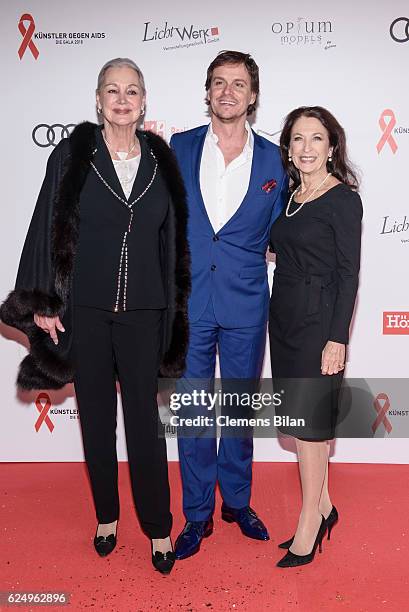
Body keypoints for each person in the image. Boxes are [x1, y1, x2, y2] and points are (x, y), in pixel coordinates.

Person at [0, 58, 190, 575]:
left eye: (132, 91)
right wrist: (41, 300)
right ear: (99, 99)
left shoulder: (161, 159)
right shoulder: (73, 154)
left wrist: (175, 310)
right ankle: (107, 517)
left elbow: (172, 242)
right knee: (98, 422)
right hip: (85, 310)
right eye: (113, 90)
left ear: (145, 100)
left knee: (145, 426)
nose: (122, 99)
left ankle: (158, 527)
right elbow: (46, 222)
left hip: (146, 312)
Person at [170, 50, 287, 560]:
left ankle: (236, 503)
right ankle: (196, 515)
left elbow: (290, 227)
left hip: (246, 304)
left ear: (253, 95)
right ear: (208, 91)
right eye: (219, 83)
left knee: (239, 411)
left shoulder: (275, 160)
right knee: (193, 413)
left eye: (238, 84)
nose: (227, 92)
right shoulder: (177, 147)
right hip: (188, 301)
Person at [269, 106, 362, 568]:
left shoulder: (342, 199)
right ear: (289, 147)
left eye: (316, 138)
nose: (306, 148)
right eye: (298, 139)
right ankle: (325, 505)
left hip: (318, 322)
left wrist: (336, 338)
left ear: (332, 147)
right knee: (298, 425)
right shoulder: (289, 196)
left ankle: (309, 522)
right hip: (283, 320)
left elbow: (349, 275)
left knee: (310, 429)